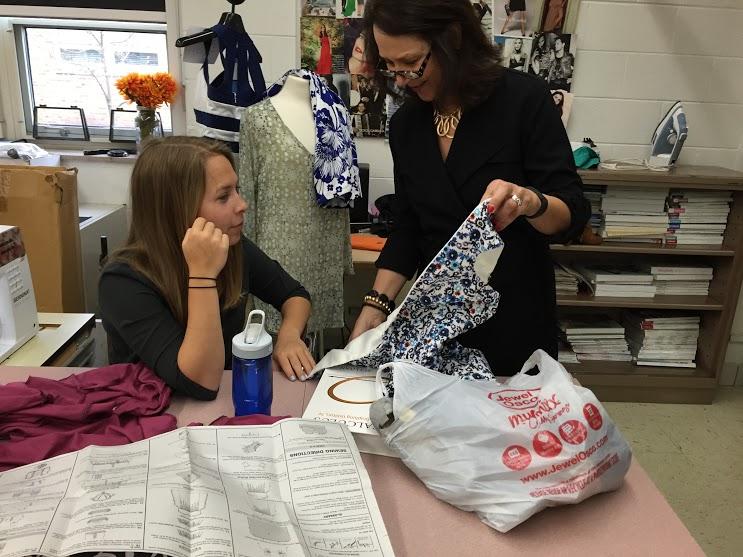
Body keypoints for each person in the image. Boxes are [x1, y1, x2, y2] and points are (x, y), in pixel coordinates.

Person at [351, 0, 590, 375]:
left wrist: (531, 202)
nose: (400, 79)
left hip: (514, 319)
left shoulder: (523, 101)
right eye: (390, 65)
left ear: (452, 37)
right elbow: (410, 225)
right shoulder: (407, 125)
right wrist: (375, 304)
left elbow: (572, 213)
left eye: (411, 63)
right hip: (438, 324)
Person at [99, 137, 316, 400]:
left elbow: (294, 294)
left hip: (223, 405)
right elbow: (200, 380)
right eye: (224, 196)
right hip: (154, 416)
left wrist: (289, 336)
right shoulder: (123, 282)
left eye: (237, 190)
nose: (241, 204)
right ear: (176, 209)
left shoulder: (232, 247)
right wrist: (202, 275)